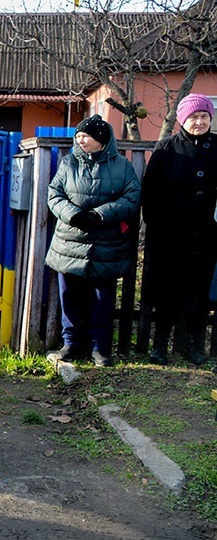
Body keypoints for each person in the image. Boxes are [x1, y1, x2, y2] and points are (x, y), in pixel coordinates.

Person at [45, 115, 140, 367]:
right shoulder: (68, 163)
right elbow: (54, 194)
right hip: (70, 241)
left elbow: (131, 198)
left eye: (85, 135)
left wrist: (100, 215)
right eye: (78, 135)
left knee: (103, 297)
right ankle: (71, 343)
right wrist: (74, 215)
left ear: (100, 139)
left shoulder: (122, 166)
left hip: (105, 242)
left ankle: (100, 347)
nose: (80, 139)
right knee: (69, 295)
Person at [141, 94, 217, 366]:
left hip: (206, 236)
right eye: (194, 117)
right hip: (170, 237)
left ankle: (195, 347)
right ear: (183, 119)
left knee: (198, 293)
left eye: (204, 117)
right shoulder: (166, 149)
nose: (199, 122)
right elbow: (149, 193)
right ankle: (159, 346)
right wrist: (158, 226)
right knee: (166, 293)